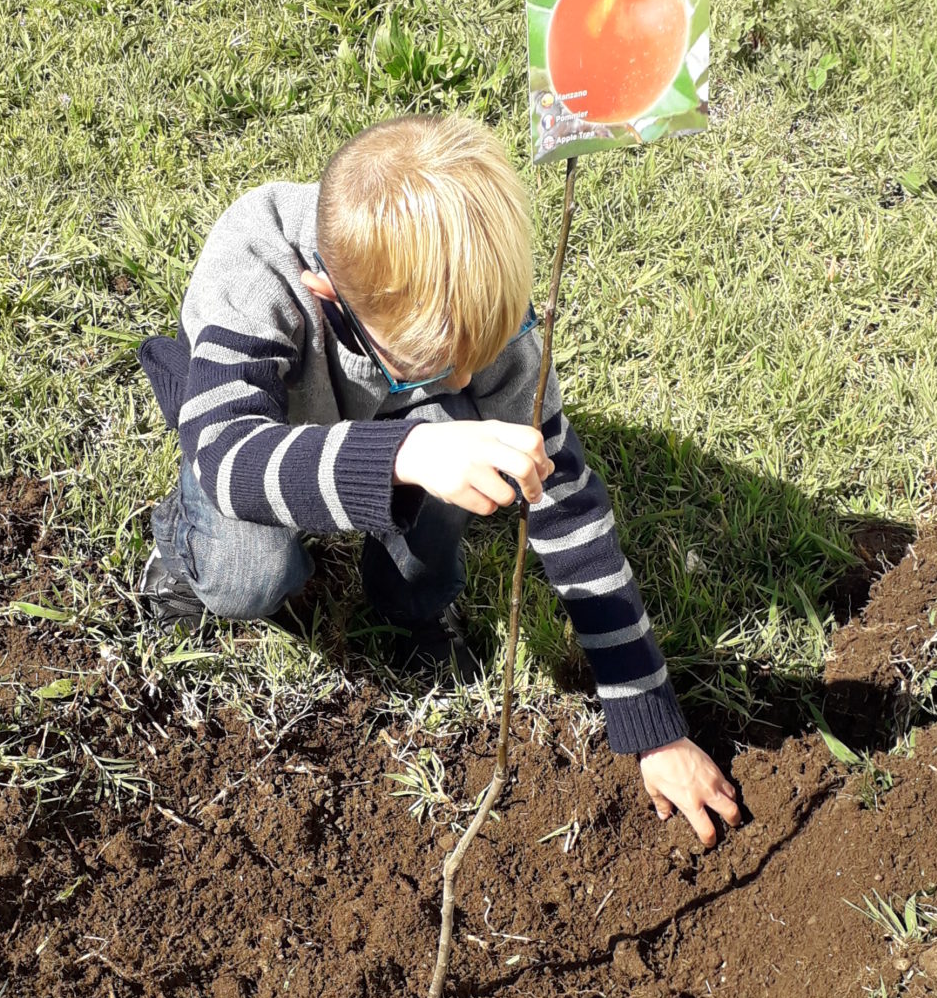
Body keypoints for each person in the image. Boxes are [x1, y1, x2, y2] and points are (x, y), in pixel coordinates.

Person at [138, 114, 740, 848]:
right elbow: (231, 458)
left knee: (465, 430)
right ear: (326, 293)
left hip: (385, 442)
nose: (464, 377)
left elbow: (567, 503)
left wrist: (650, 719)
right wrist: (412, 452)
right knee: (255, 574)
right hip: (256, 442)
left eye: (478, 351)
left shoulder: (473, 300)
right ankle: (180, 550)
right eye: (428, 362)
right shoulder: (254, 266)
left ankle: (413, 600)